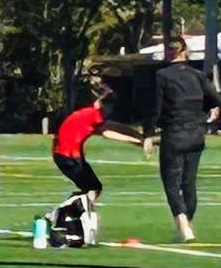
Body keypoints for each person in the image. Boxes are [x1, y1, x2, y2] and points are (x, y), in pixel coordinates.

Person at [47, 88, 148, 244]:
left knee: (91, 189)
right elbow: (108, 133)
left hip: (64, 155)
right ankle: (58, 214)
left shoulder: (87, 113)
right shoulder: (95, 115)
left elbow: (115, 126)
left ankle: (65, 216)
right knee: (92, 189)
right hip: (69, 156)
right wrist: (138, 142)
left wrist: (138, 136)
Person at [150, 36, 221, 242]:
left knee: (171, 181)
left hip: (174, 133)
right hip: (196, 133)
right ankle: (187, 224)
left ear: (169, 51)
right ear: (185, 51)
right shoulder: (197, 75)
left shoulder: (162, 75)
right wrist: (203, 111)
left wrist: (148, 132)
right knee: (189, 182)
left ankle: (183, 225)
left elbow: (157, 107)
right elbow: (215, 99)